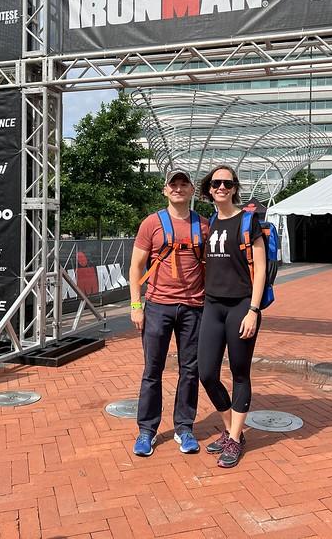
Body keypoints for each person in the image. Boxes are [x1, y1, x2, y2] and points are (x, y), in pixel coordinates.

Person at [129, 169, 209, 457]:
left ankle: (184, 427)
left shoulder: (204, 225)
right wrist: (136, 306)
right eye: (173, 184)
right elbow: (136, 266)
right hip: (158, 306)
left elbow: (211, 266)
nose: (178, 188)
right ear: (165, 190)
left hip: (193, 308)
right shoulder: (152, 223)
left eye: (183, 184)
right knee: (152, 370)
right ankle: (147, 430)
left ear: (192, 191)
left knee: (190, 370)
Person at [197, 165, 266, 468]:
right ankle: (231, 430)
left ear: (235, 187)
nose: (221, 188)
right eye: (216, 183)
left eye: (227, 183)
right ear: (209, 189)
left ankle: (235, 438)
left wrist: (253, 310)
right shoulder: (210, 222)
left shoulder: (249, 221)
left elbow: (261, 269)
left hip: (241, 306)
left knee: (239, 373)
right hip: (212, 306)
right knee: (206, 373)